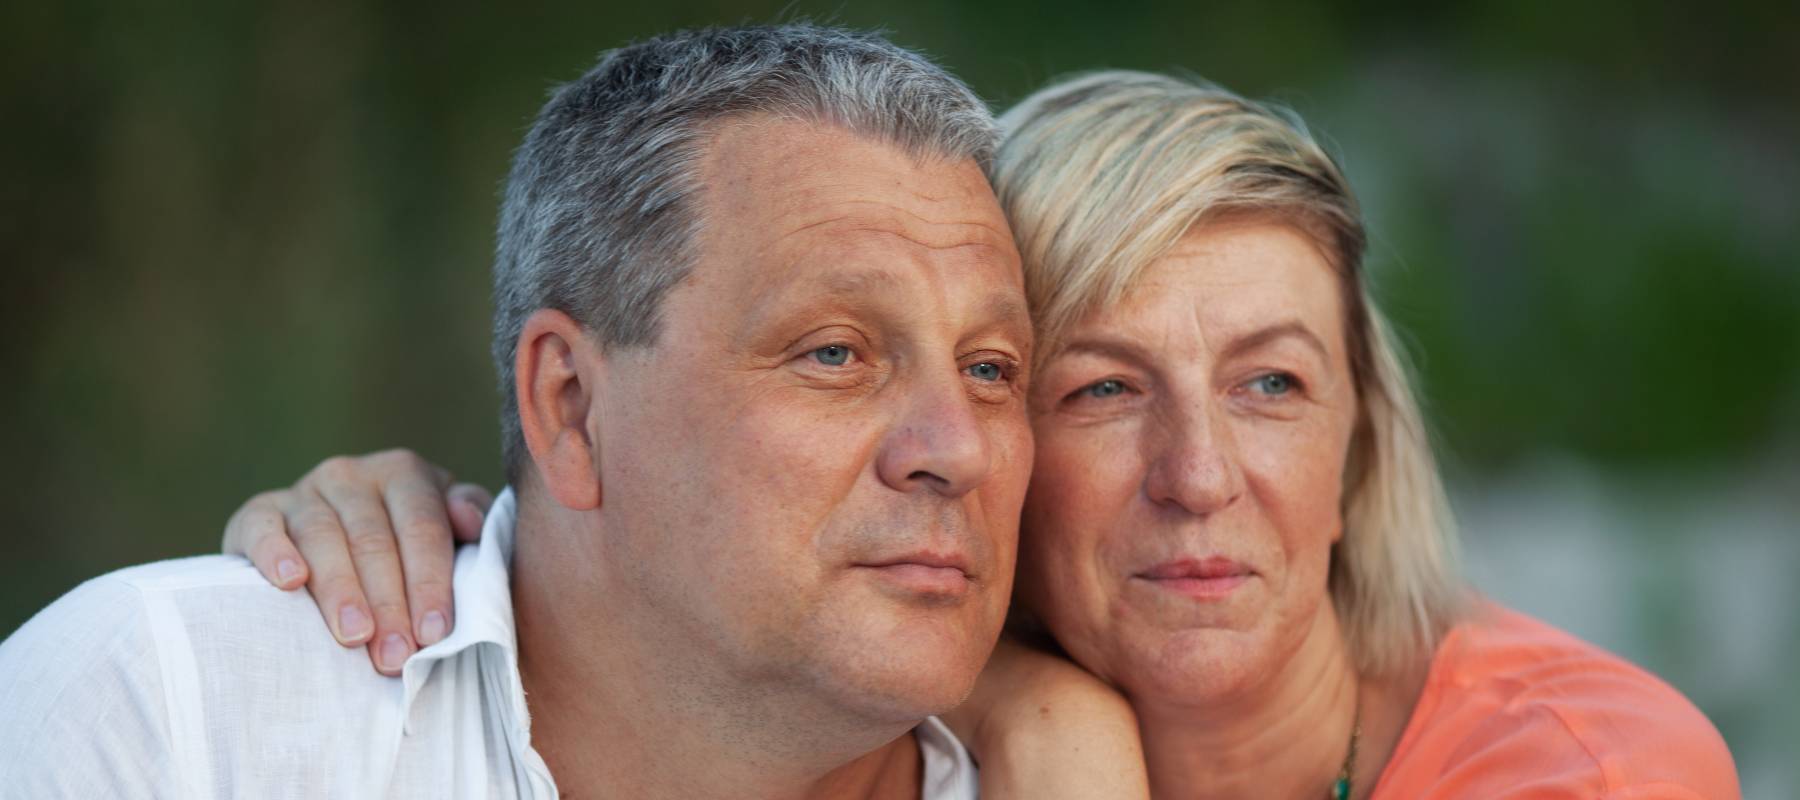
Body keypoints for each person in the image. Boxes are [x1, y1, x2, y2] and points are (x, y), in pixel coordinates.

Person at [234, 71, 1743, 798]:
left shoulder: (1577, 770)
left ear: (1360, 449)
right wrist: (432, 514)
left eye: (1273, 386)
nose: (1200, 476)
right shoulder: (902, 712)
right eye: (1097, 387)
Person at [0, 24, 1057, 799]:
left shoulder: (1115, 762)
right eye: (834, 352)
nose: (956, 447)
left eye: (992, 368)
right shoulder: (173, 717)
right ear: (570, 408)